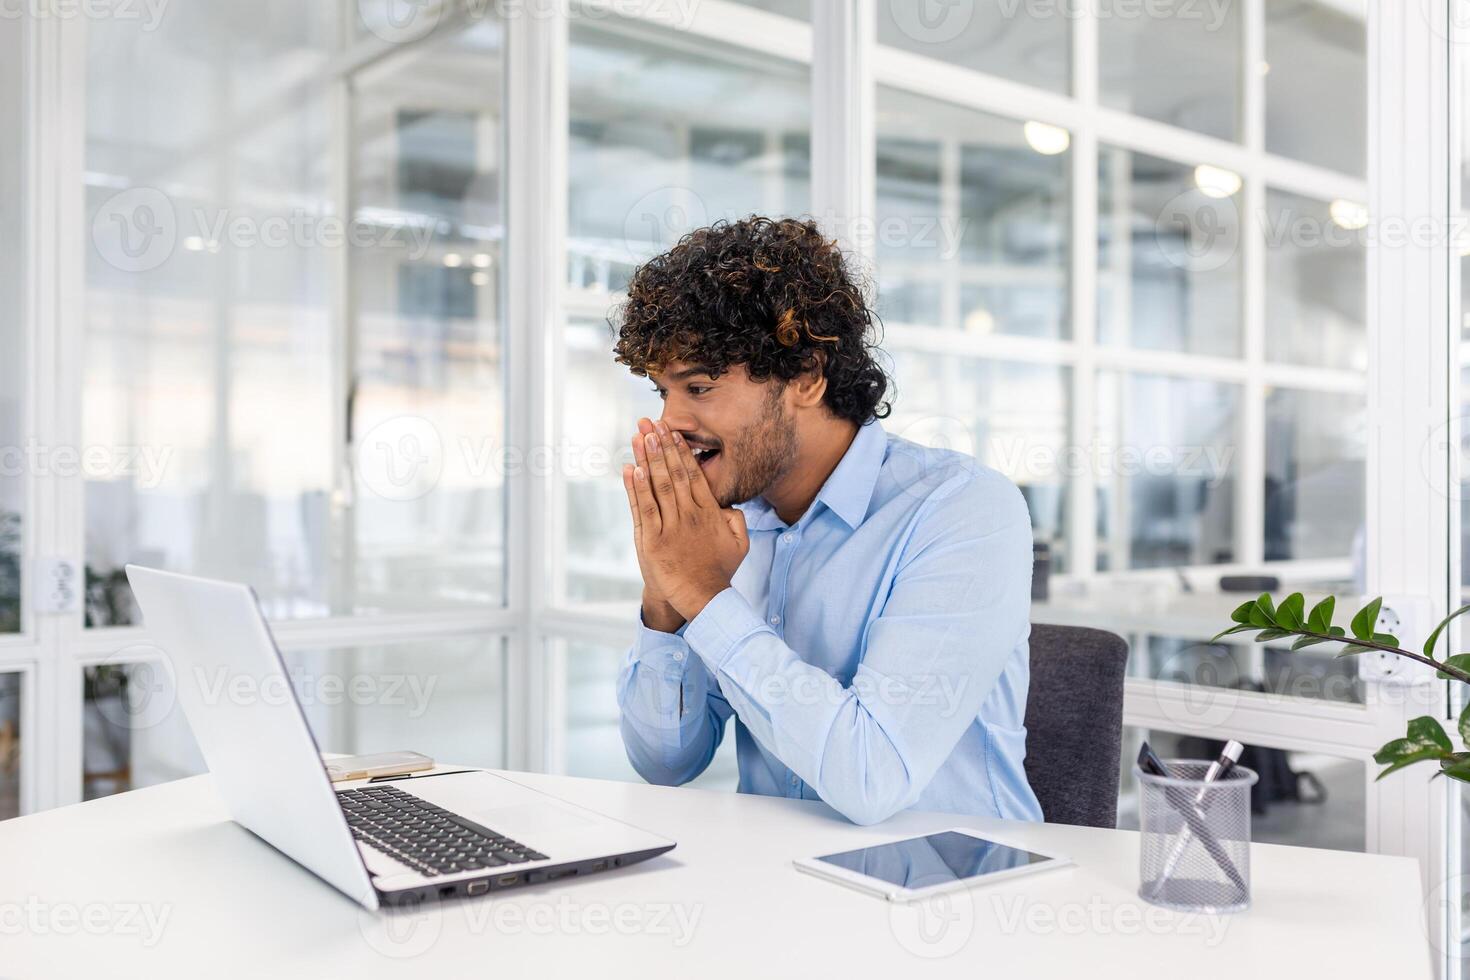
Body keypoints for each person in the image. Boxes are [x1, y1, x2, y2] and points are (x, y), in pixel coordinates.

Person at [612, 216, 1042, 826]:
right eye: (662, 393)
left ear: (807, 378)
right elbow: (665, 762)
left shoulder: (963, 510)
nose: (669, 421)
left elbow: (873, 776)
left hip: (955, 893)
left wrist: (705, 597)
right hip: (779, 888)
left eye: (700, 387)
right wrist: (666, 593)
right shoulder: (725, 527)